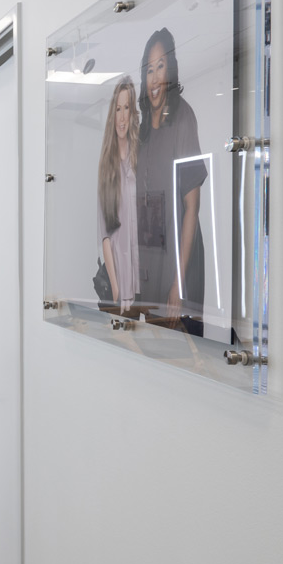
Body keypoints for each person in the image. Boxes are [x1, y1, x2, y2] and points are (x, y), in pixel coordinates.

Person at [134, 27, 206, 334]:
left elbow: (192, 207)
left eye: (160, 66)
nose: (154, 77)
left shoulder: (183, 117)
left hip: (179, 265)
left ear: (171, 70)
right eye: (149, 69)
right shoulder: (142, 132)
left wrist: (178, 283)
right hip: (151, 264)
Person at [96, 76, 141, 312]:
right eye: (118, 109)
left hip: (143, 277)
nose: (122, 117)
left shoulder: (140, 157)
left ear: (133, 113)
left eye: (127, 108)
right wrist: (116, 289)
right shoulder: (106, 167)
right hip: (119, 281)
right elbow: (105, 235)